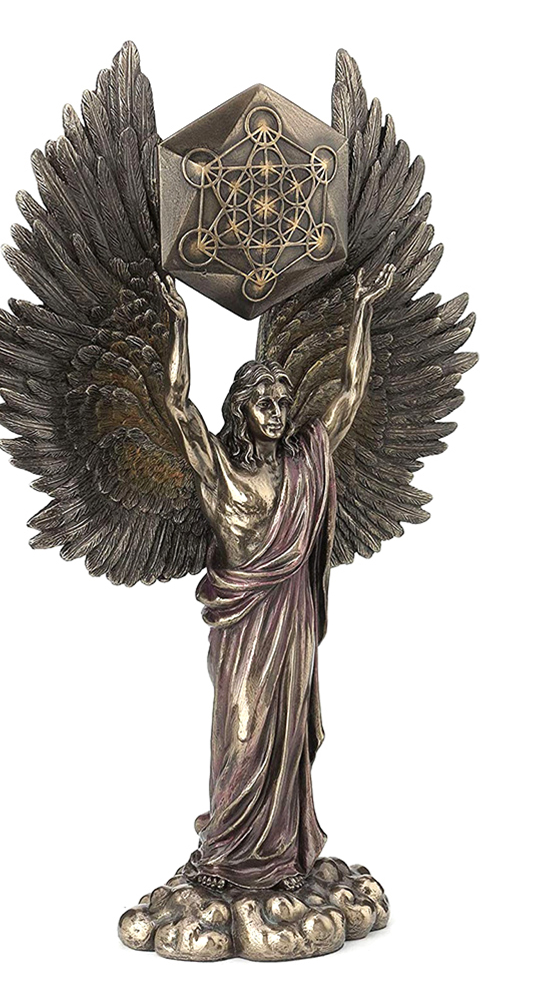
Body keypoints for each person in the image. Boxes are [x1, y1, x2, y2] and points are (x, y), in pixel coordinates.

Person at [159, 263, 395, 890]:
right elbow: (178, 406)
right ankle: (225, 857)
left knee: (286, 740)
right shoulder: (220, 472)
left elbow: (350, 393)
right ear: (241, 409)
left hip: (292, 619)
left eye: (284, 403)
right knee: (242, 729)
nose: (278, 412)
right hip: (243, 626)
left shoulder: (303, 464)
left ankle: (282, 858)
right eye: (265, 402)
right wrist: (180, 324)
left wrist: (361, 312)